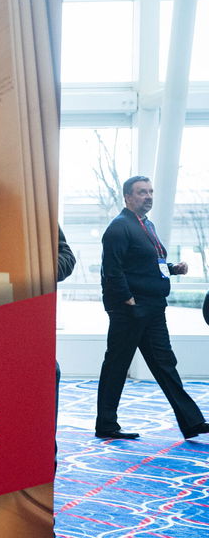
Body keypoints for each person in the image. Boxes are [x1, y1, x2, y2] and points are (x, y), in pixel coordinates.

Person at [94, 176, 208, 440]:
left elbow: (143, 266)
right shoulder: (119, 228)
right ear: (127, 197)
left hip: (153, 308)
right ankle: (106, 425)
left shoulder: (146, 225)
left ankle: (191, 422)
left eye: (150, 191)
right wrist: (128, 301)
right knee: (117, 366)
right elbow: (112, 271)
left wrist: (171, 269)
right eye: (142, 192)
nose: (148, 196)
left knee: (165, 364)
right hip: (130, 310)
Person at [53, 226, 84, 538]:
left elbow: (67, 257)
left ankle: (40, 536)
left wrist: (28, 268)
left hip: (23, 330)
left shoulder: (31, 199)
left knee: (38, 448)